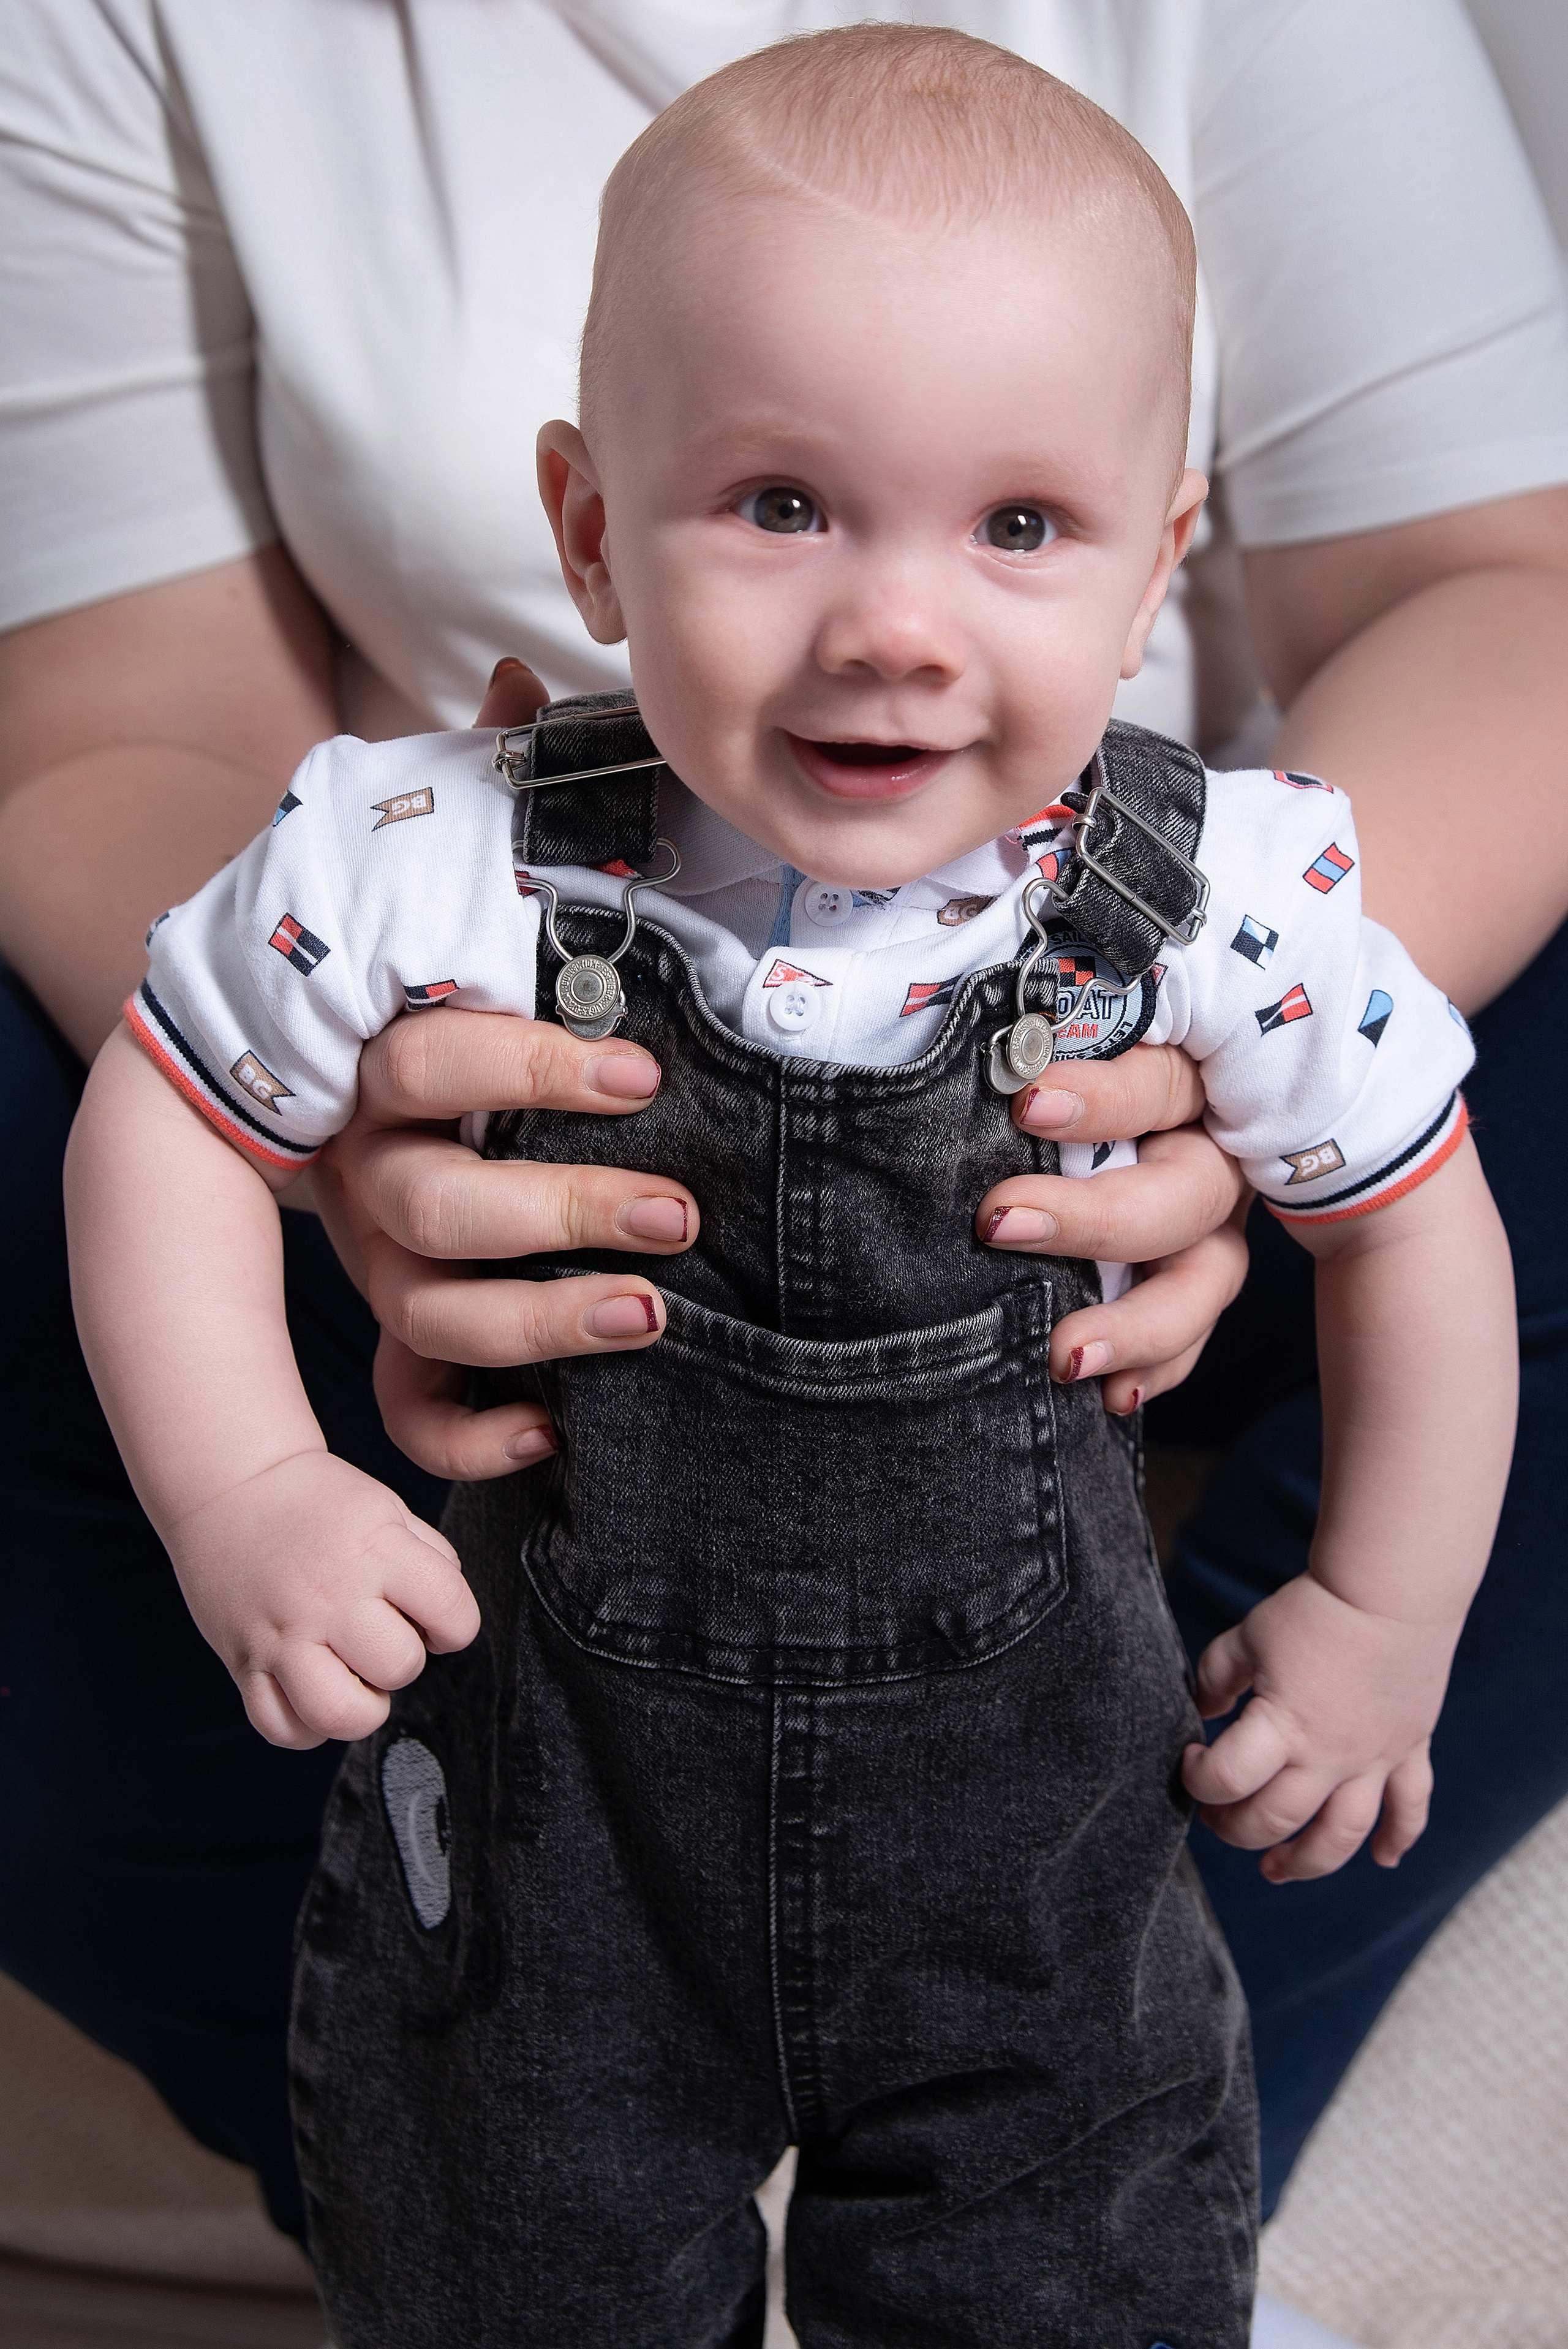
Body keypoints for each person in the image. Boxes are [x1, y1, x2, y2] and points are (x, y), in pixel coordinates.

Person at [2, 0, 1565, 2271]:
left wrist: (1380, 1604)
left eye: (1019, 528)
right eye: (780, 508)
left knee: (1065, 2180)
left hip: (1042, 1753)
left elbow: (1425, 1222)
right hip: (570, 1687)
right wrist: (250, 1468)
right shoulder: (431, 859)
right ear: (588, 531)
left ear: (1156, 567)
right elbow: (162, 1085)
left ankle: (1163, 2186)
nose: (894, 628)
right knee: (525, 2178)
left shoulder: (1231, 902)